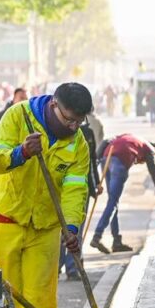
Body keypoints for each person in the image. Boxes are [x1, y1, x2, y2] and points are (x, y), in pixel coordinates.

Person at [0, 82, 92, 308]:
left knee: (41, 301)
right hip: (5, 222)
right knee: (9, 300)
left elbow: (75, 189)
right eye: (70, 120)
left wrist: (71, 227)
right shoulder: (17, 117)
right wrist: (21, 153)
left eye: (79, 122)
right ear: (54, 106)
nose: (74, 127)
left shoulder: (78, 144)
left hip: (45, 228)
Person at [89, 135, 155, 254]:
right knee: (113, 202)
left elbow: (106, 141)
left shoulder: (131, 139)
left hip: (107, 158)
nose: (139, 163)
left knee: (112, 201)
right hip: (119, 163)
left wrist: (97, 166)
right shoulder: (149, 149)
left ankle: (116, 241)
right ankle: (97, 236)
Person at [60, 113, 104, 279]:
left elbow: (92, 162)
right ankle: (56, 267)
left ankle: (72, 268)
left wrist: (95, 186)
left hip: (79, 191)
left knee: (74, 232)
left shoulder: (87, 134)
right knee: (57, 232)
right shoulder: (55, 131)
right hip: (57, 192)